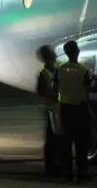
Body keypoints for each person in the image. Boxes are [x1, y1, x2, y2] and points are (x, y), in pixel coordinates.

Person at [54, 40, 94, 183]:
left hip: (65, 108)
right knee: (81, 143)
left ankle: (68, 174)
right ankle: (82, 173)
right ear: (77, 52)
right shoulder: (83, 70)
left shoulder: (59, 69)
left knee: (66, 142)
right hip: (80, 109)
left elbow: (55, 89)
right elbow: (88, 92)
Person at [36, 45, 61, 177]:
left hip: (60, 109)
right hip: (52, 110)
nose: (54, 57)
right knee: (52, 140)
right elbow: (41, 91)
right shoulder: (44, 73)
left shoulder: (58, 70)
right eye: (51, 55)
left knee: (59, 140)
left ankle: (57, 166)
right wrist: (54, 95)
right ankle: (51, 168)